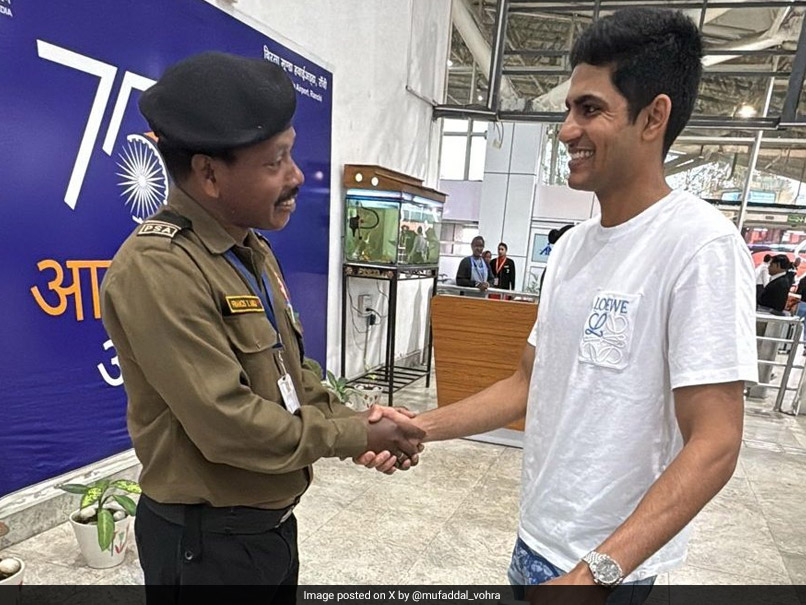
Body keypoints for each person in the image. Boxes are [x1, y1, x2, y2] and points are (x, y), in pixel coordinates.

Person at [360, 8, 757, 597]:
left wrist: (597, 572)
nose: (567, 130)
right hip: (535, 542)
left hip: (605, 571)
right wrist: (417, 426)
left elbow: (716, 442)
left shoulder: (700, 246)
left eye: (590, 109)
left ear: (654, 117)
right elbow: (528, 383)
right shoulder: (572, 249)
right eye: (569, 109)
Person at [100, 52, 423, 595]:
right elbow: (228, 425)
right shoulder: (159, 269)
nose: (297, 177)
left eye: (291, 155)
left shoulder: (248, 250)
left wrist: (355, 416)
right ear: (208, 173)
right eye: (276, 162)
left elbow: (290, 373)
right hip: (207, 547)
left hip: (262, 533)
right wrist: (353, 434)